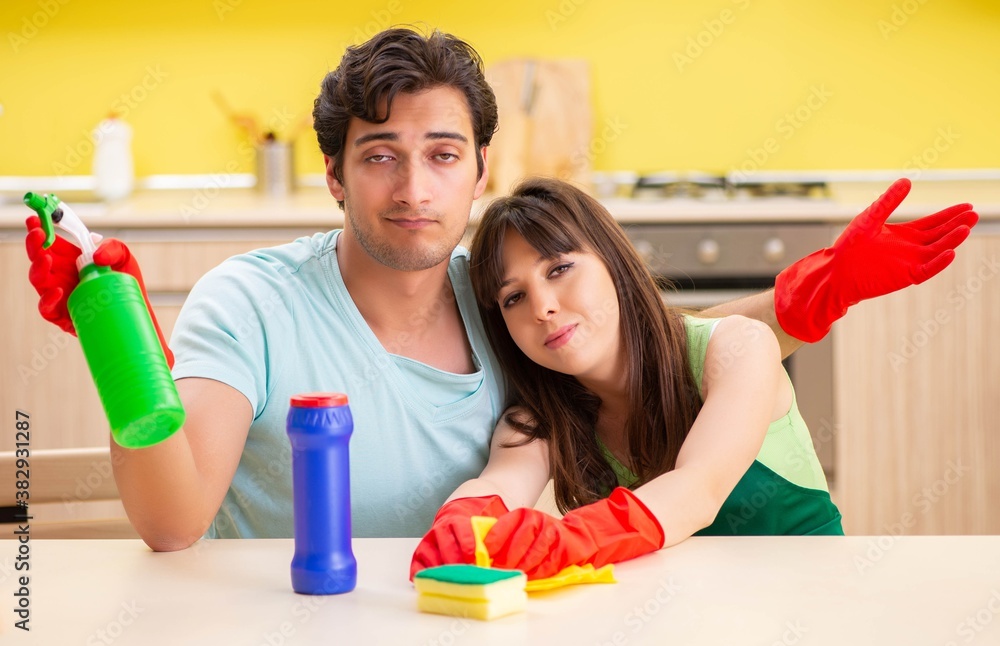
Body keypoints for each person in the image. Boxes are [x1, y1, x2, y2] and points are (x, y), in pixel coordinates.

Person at [23, 27, 977, 551]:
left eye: (442, 156)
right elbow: (173, 523)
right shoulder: (251, 300)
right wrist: (123, 355)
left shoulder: (500, 302)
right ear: (333, 174)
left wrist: (800, 302)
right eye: (379, 157)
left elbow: (639, 339)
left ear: (479, 170)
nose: (412, 189)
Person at [408, 176, 973, 580]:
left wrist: (566, 541)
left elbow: (696, 492)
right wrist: (462, 523)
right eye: (514, 297)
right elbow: (498, 483)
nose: (544, 307)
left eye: (559, 268)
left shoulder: (737, 347)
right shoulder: (542, 416)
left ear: (614, 261)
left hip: (811, 611)